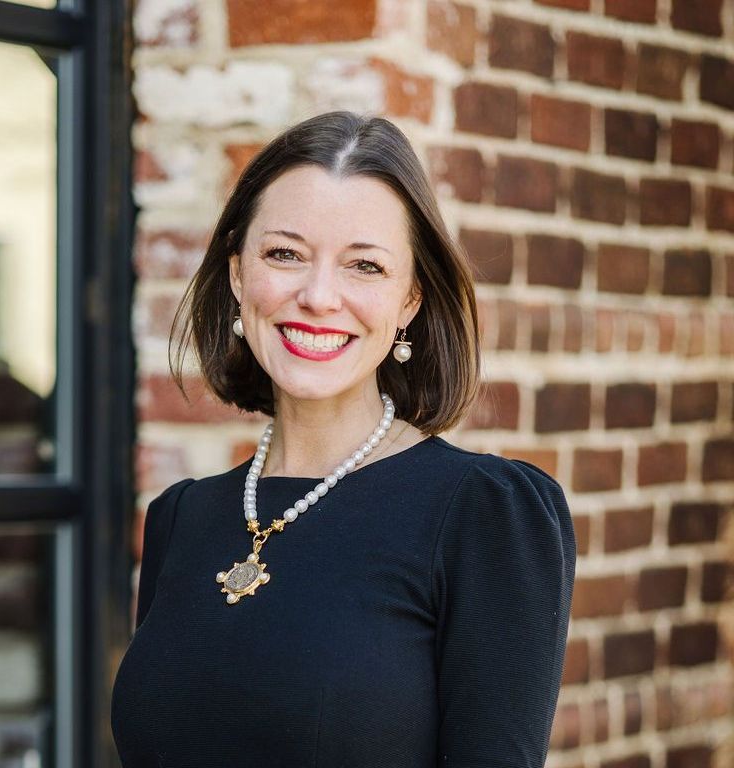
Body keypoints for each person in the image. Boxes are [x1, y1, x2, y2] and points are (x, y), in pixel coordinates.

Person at [111, 111, 576, 768]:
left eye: (364, 266)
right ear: (239, 272)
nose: (319, 296)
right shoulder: (181, 517)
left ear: (409, 298)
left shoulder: (485, 513)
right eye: (285, 254)